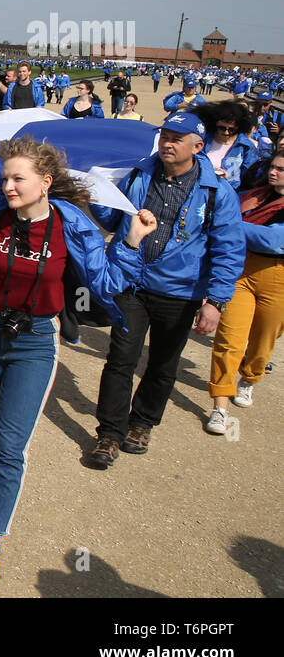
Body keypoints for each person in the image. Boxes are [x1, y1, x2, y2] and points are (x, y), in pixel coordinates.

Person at [0, 138, 155, 588]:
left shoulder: (72, 225)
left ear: (44, 183)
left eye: (17, 178)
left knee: (10, 445)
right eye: (5, 177)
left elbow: (107, 279)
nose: (7, 185)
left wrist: (132, 242)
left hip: (36, 342)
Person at [86, 112, 245, 468]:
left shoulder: (217, 190)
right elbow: (115, 219)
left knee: (162, 363)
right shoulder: (141, 172)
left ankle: (141, 423)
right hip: (132, 283)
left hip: (180, 290)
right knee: (120, 358)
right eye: (165, 136)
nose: (167, 143)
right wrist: (96, 193)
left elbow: (229, 249)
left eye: (177, 138)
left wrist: (215, 302)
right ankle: (109, 433)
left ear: (198, 146)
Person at [204, 149, 284, 436]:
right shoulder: (252, 196)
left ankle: (250, 378)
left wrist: (229, 226)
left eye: (281, 169)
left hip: (278, 277)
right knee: (229, 339)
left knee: (263, 341)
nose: (273, 172)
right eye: (273, 167)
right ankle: (220, 406)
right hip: (240, 270)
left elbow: (275, 241)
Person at [196, 101, 261, 191]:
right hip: (198, 188)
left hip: (228, 192)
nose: (226, 132)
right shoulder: (203, 139)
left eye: (231, 129)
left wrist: (228, 178)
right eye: (222, 128)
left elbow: (249, 176)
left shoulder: (247, 147)